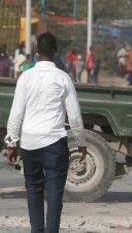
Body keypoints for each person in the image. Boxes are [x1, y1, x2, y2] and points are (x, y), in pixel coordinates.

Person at [5, 32, 86, 233]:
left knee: (33, 188)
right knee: (55, 193)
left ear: (36, 52)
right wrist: (81, 142)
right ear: (56, 51)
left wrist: (11, 143)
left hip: (29, 143)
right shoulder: (63, 78)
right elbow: (74, 117)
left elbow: (16, 114)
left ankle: (36, 230)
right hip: (54, 143)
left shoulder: (25, 77)